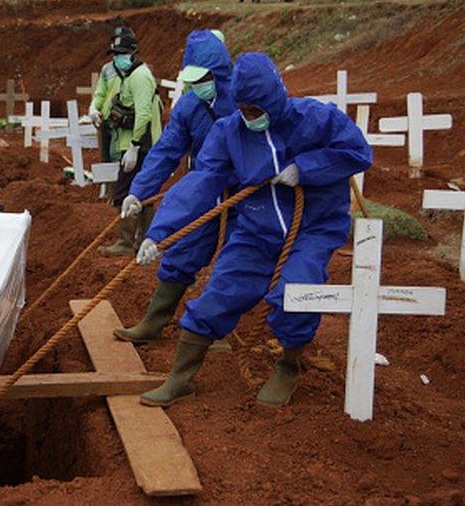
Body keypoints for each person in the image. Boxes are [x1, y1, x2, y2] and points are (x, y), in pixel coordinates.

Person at [137, 53, 372, 408]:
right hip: (257, 227)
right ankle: (180, 379)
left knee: (294, 292)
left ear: (273, 99)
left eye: (255, 109)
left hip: (312, 227)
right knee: (220, 292)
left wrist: (305, 168)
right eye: (243, 109)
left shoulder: (316, 119)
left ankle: (288, 366)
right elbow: (202, 180)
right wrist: (160, 232)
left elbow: (357, 152)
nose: (249, 117)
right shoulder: (229, 132)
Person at [114, 29, 237, 343]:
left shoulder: (243, 98)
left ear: (219, 72)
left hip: (245, 192)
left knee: (235, 260)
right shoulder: (189, 106)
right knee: (184, 249)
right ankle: (153, 324)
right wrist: (138, 192)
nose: (197, 86)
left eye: (203, 79)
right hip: (204, 189)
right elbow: (167, 151)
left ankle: (217, 333)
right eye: (192, 80)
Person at [96, 32, 162, 257]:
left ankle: (127, 242)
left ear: (133, 53)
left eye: (121, 53)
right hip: (132, 142)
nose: (117, 58)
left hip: (141, 144)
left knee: (127, 190)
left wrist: (134, 146)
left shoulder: (140, 77)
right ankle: (138, 240)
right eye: (115, 54)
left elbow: (143, 114)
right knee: (139, 189)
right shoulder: (129, 74)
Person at [85, 25, 134, 164]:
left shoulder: (139, 70)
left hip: (127, 126)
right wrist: (93, 108)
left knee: (122, 164)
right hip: (108, 124)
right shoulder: (107, 69)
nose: (119, 56)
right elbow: (100, 94)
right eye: (116, 53)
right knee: (108, 163)